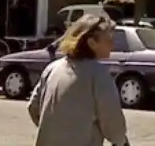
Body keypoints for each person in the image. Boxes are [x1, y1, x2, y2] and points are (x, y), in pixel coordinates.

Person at [28, 14, 129, 146]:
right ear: (92, 43)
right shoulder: (98, 74)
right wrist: (121, 141)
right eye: (108, 39)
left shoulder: (52, 69)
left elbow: (33, 107)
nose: (112, 44)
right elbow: (112, 123)